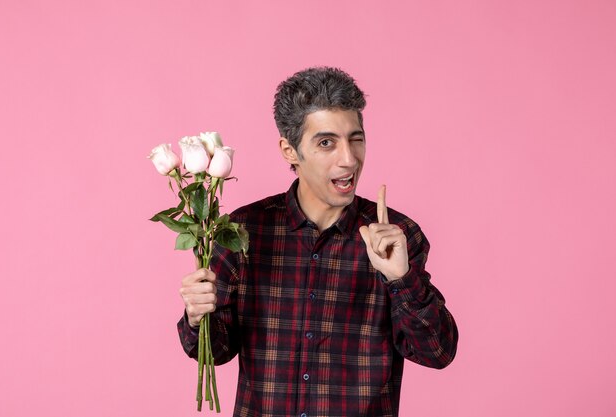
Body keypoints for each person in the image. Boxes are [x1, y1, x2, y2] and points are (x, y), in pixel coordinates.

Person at [178, 67, 458, 417]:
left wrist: (401, 279)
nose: (349, 159)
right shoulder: (240, 231)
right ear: (290, 150)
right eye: (327, 142)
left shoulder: (397, 235)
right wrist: (196, 317)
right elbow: (216, 351)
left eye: (356, 138)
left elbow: (438, 352)